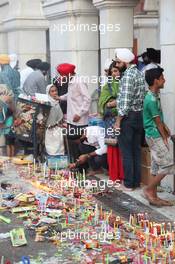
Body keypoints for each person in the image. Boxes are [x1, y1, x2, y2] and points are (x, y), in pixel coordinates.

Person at [114, 48, 145, 191]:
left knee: (126, 152)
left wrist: (118, 121)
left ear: (124, 62)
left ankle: (128, 184)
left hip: (128, 118)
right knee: (135, 151)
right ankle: (136, 182)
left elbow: (125, 103)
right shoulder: (138, 73)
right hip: (139, 116)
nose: (116, 64)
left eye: (118, 61)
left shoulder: (127, 77)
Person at [143, 68, 174, 206]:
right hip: (155, 136)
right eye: (162, 77)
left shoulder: (154, 95)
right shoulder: (150, 99)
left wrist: (166, 129)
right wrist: (165, 139)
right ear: (156, 81)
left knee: (156, 167)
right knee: (168, 163)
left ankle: (154, 197)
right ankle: (149, 190)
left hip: (153, 135)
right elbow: (157, 122)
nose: (164, 80)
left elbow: (159, 120)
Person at [58, 63, 91, 162]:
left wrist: (80, 113)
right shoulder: (71, 81)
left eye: (62, 75)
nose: (61, 77)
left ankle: (81, 167)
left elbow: (88, 98)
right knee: (71, 141)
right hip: (72, 118)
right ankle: (75, 165)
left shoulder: (79, 82)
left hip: (79, 119)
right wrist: (59, 97)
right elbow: (70, 95)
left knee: (78, 143)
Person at [98, 61, 124, 182]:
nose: (115, 73)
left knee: (123, 148)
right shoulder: (107, 87)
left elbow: (126, 101)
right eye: (112, 71)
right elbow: (101, 106)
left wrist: (117, 103)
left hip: (123, 119)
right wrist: (111, 104)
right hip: (110, 121)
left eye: (117, 70)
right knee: (112, 146)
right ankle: (114, 175)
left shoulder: (125, 84)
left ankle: (123, 175)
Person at [45, 84, 64, 156]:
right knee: (51, 150)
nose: (55, 93)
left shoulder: (56, 102)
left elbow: (60, 116)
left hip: (57, 129)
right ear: (48, 93)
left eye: (56, 90)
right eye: (52, 91)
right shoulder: (46, 103)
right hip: (48, 130)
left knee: (59, 149)